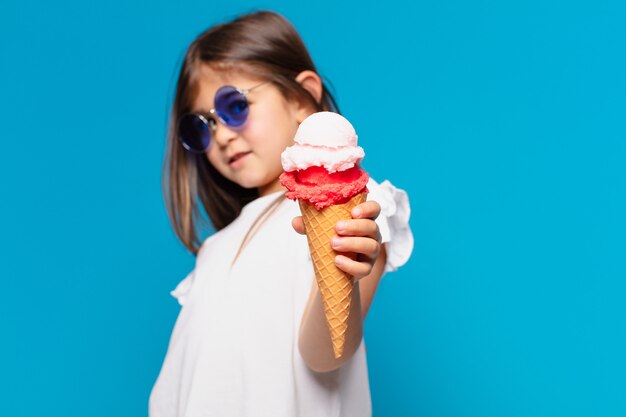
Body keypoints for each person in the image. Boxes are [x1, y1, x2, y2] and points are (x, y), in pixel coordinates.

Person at [149, 10, 413, 417]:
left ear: (300, 99)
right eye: (202, 126)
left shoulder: (355, 204)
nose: (221, 135)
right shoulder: (214, 251)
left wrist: (344, 269)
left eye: (235, 106)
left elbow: (324, 355)